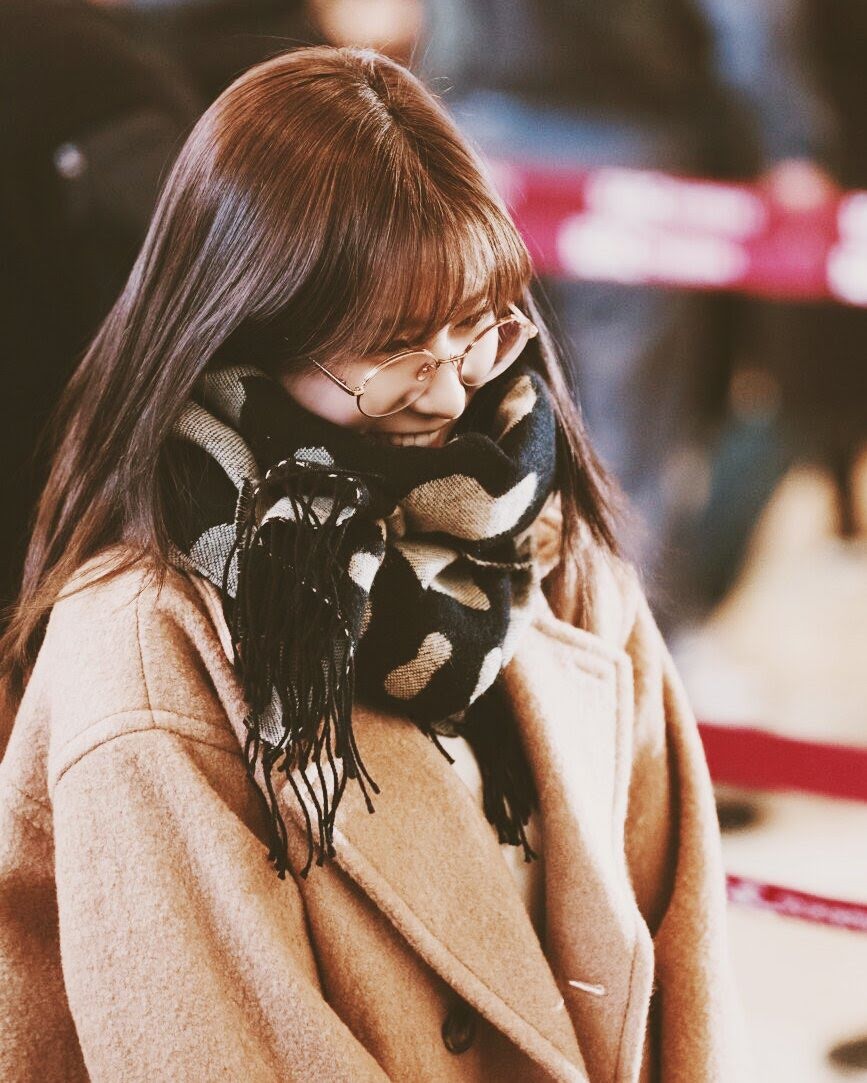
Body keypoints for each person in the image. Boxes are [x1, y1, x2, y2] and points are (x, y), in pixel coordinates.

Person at [0, 47, 750, 1081]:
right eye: (394, 348)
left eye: (474, 328)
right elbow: (212, 1049)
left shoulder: (539, 534)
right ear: (247, 332)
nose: (448, 394)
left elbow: (681, 951)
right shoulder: (147, 641)